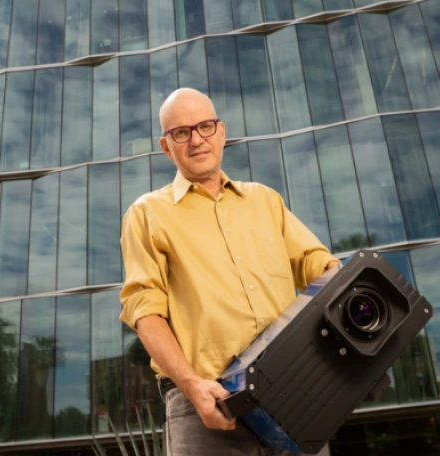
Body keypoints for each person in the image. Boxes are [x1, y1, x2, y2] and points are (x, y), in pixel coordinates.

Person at [118, 88, 339, 455]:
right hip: (207, 402)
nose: (197, 140)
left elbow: (319, 265)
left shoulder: (265, 200)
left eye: (205, 126)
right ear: (166, 146)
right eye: (182, 132)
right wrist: (192, 385)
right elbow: (145, 310)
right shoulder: (147, 214)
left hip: (293, 393)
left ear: (221, 132)